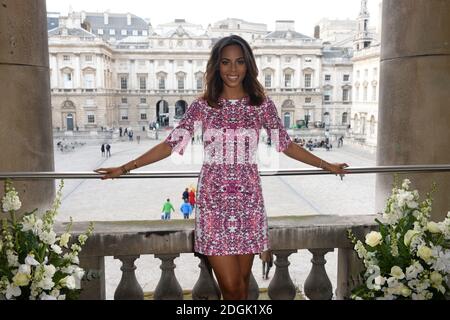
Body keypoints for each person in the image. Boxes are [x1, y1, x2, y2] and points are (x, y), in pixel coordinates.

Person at [94, 35, 348, 300]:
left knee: (240, 285)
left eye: (239, 62)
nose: (233, 69)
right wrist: (125, 167)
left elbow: (287, 145)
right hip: (214, 203)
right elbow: (170, 144)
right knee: (230, 286)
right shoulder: (203, 106)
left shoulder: (262, 106)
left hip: (249, 202)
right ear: (217, 66)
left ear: (248, 65)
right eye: (226, 62)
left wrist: (327, 165)